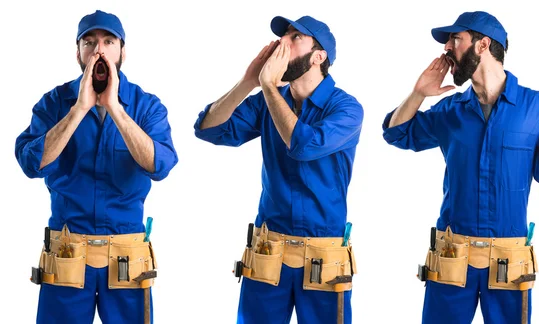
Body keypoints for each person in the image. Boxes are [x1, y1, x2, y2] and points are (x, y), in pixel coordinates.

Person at [381, 11, 539, 324]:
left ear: (482, 45)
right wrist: (419, 93)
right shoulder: (450, 110)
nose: (447, 47)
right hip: (451, 260)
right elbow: (396, 134)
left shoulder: (536, 108)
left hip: (509, 264)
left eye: (455, 39)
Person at [194, 15, 363, 324]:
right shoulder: (266, 101)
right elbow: (209, 130)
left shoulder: (347, 109)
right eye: (283, 35)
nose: (282, 43)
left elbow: (303, 145)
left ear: (319, 56)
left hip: (323, 254)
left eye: (295, 37)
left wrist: (269, 87)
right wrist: (249, 82)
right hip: (268, 250)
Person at [15, 9, 178, 324]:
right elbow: (31, 164)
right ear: (78, 52)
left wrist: (114, 108)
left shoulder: (147, 107)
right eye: (89, 42)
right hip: (67, 253)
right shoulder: (55, 103)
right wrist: (79, 108)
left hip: (126, 255)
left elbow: (159, 165)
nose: (99, 50)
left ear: (122, 51)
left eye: (108, 41)